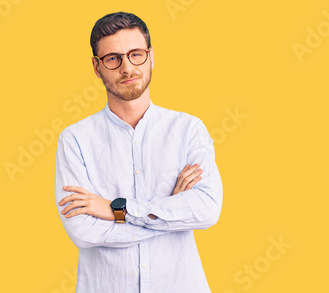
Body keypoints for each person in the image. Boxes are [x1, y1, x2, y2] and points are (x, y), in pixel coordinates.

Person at [54, 11, 223, 293]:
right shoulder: (75, 140)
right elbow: (83, 231)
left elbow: (207, 210)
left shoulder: (189, 130)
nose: (127, 68)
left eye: (136, 54)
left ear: (151, 56)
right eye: (113, 58)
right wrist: (170, 212)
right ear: (97, 67)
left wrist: (116, 209)